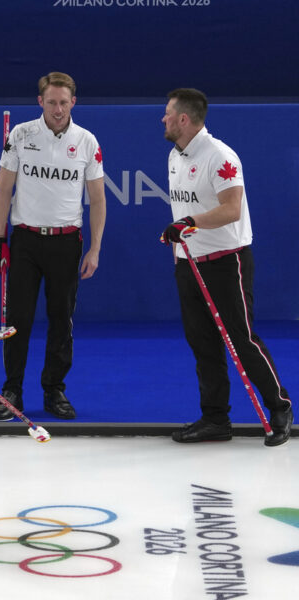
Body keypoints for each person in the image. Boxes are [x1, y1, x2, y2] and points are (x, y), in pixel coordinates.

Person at [160, 88, 292, 447]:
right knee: (202, 343)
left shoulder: (219, 155)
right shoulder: (175, 155)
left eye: (168, 114)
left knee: (241, 338)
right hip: (189, 263)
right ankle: (215, 418)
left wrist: (188, 224)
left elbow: (231, 208)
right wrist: (180, 246)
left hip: (225, 261)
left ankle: (279, 408)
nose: (164, 119)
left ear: (184, 120)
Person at [0, 71, 106, 422]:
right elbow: (4, 190)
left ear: (74, 102)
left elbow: (98, 201)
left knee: (61, 320)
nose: (58, 109)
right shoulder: (21, 136)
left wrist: (95, 249)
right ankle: (12, 390)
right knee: (17, 319)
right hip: (25, 241)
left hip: (67, 243)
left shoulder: (87, 141)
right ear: (40, 101)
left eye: (64, 102)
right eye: (51, 102)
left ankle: (54, 389)